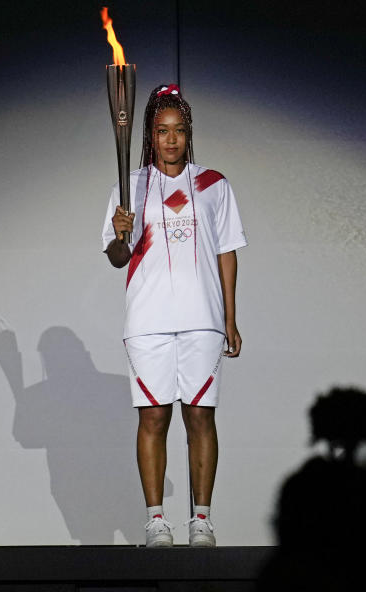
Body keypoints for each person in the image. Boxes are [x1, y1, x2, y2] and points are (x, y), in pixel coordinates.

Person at [102, 83, 247, 547]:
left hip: (203, 318)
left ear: (188, 135)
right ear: (149, 134)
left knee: (201, 417)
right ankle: (156, 521)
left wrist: (230, 317)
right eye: (162, 131)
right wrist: (122, 235)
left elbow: (227, 252)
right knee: (153, 419)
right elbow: (117, 258)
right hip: (147, 321)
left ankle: (201, 520)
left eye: (179, 131)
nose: (170, 139)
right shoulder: (131, 187)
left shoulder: (213, 185)